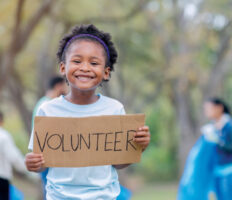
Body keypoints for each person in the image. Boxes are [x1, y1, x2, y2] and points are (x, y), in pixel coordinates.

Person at [25, 24, 151, 200]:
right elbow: (41, 164)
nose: (85, 68)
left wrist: (138, 147)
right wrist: (32, 163)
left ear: (106, 72)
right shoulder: (48, 110)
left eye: (94, 63)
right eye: (77, 61)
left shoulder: (115, 109)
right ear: (63, 68)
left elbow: (117, 163)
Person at [178, 98, 232, 200]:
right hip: (213, 171)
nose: (206, 112)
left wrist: (217, 140)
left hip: (227, 170)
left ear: (219, 108)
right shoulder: (212, 127)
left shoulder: (229, 124)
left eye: (209, 109)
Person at [31, 75, 67, 199]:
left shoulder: (42, 102)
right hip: (47, 156)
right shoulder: (47, 105)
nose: (66, 90)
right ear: (58, 86)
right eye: (64, 86)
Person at [0, 110, 27, 200]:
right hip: (1, 179)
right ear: (2, 121)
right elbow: (14, 158)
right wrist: (28, 169)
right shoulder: (3, 136)